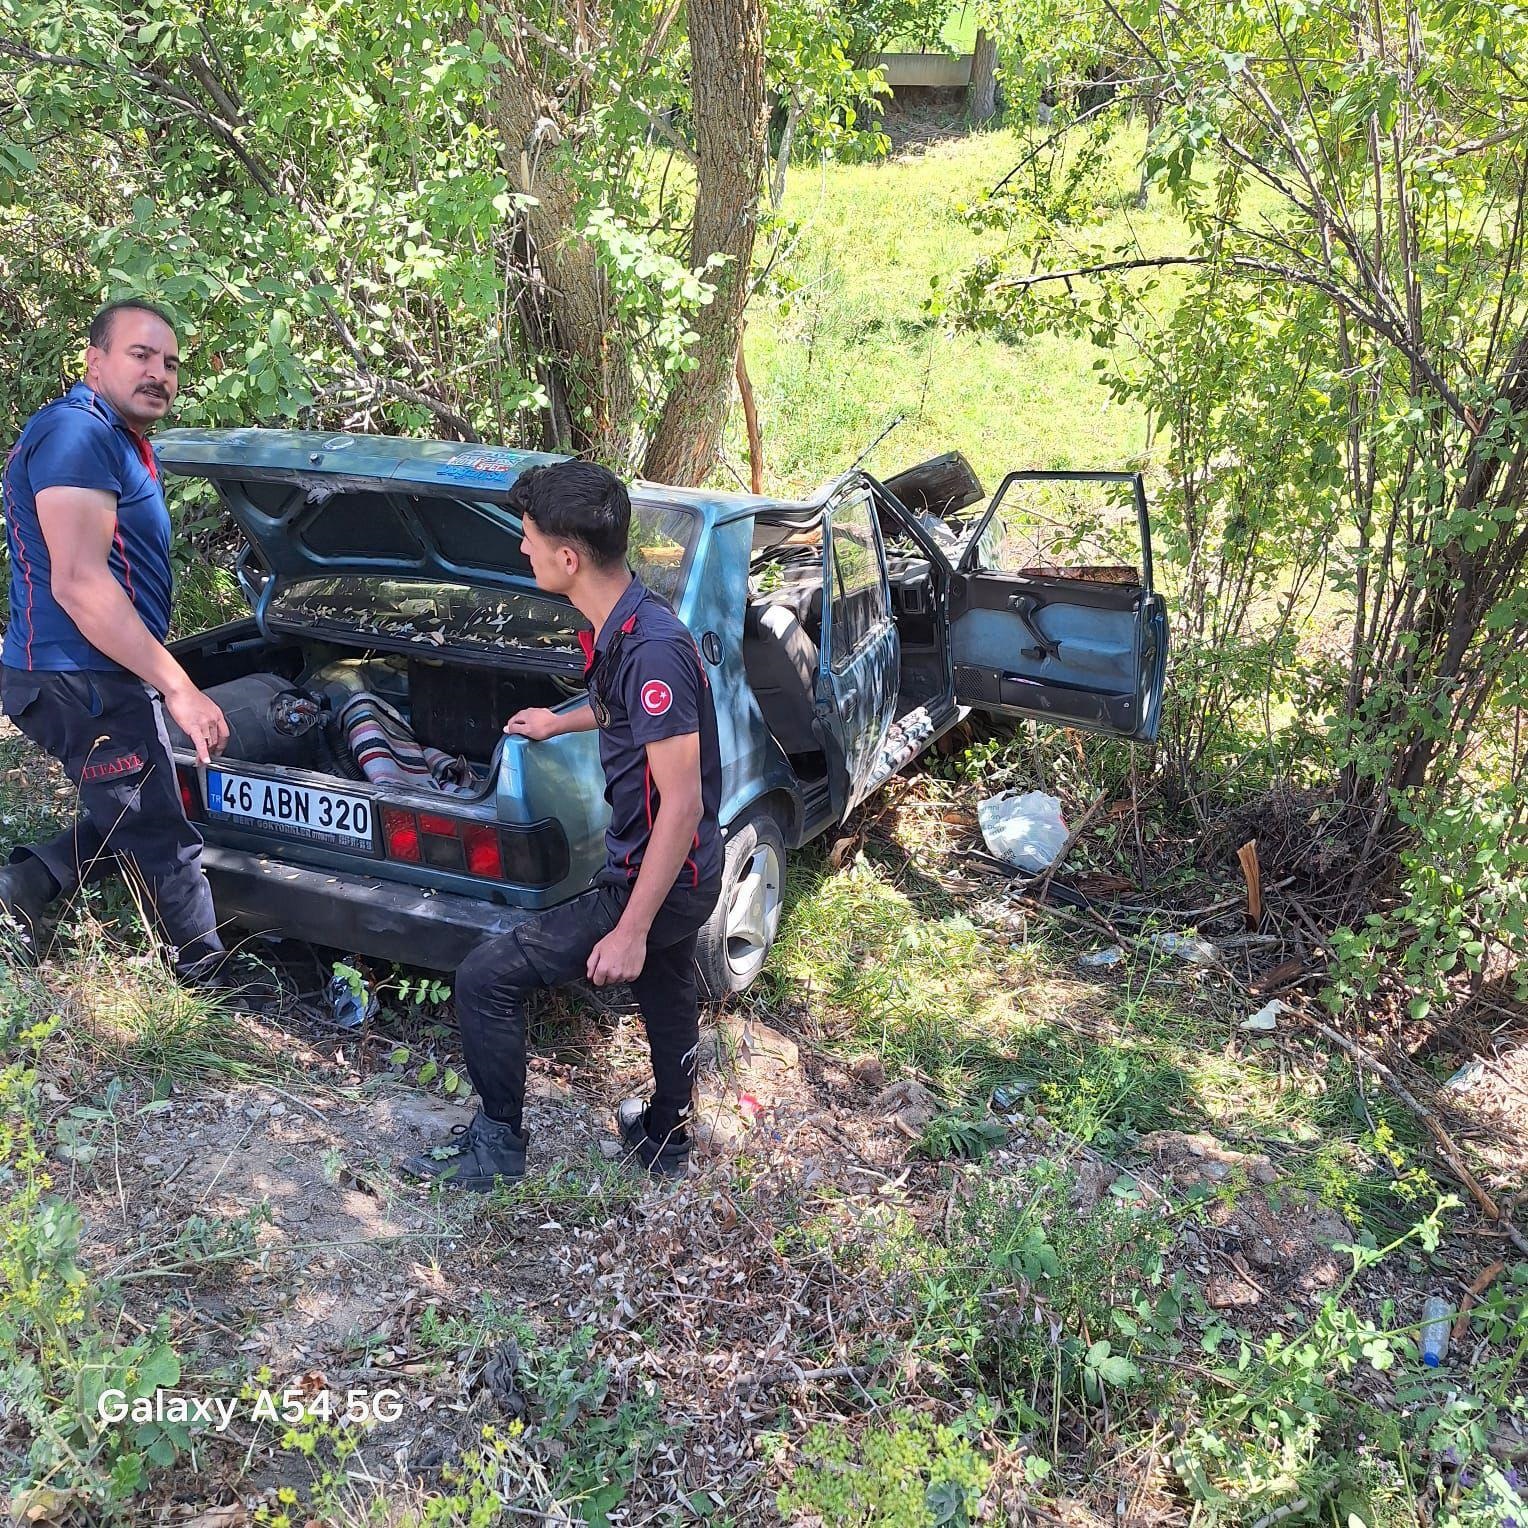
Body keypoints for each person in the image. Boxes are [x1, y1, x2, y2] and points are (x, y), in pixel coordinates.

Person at [408, 461, 722, 1189]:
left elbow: (681, 804)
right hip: (679, 870)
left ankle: (497, 1149)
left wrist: (631, 927)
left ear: (568, 558)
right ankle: (667, 1134)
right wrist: (558, 720)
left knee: (487, 976)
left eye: (528, 539)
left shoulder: (651, 652)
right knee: (667, 987)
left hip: (663, 873)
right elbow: (618, 709)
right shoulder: (625, 624)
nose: (523, 550)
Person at [0, 299, 231, 976]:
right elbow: (80, 584)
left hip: (85, 671)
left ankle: (25, 888)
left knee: (133, 803)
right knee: (162, 833)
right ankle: (205, 980)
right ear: (94, 361)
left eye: (170, 363)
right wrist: (179, 687)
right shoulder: (79, 436)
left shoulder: (111, 435)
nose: (159, 372)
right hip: (79, 677)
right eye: (141, 355)